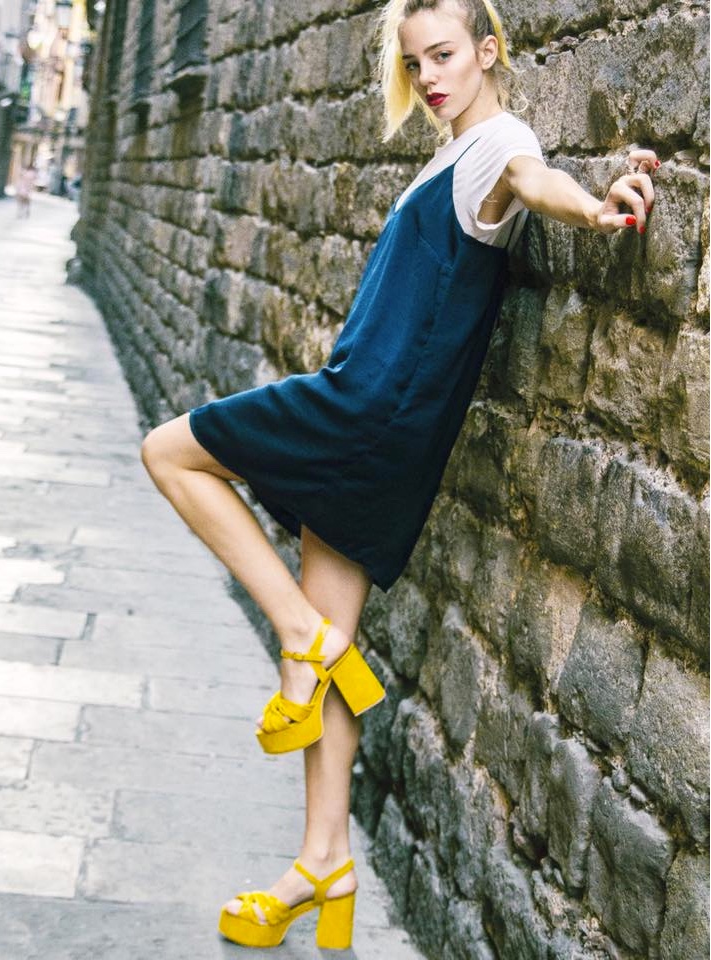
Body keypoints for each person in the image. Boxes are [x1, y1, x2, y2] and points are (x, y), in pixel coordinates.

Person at [140, 0, 658, 948]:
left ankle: (300, 636)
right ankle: (323, 862)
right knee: (335, 649)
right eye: (416, 62)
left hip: (364, 411)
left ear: (488, 51)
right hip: (381, 423)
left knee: (168, 451)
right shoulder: (448, 154)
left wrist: (593, 206)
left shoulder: (498, 144)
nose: (429, 78)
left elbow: (533, 180)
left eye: (446, 55)